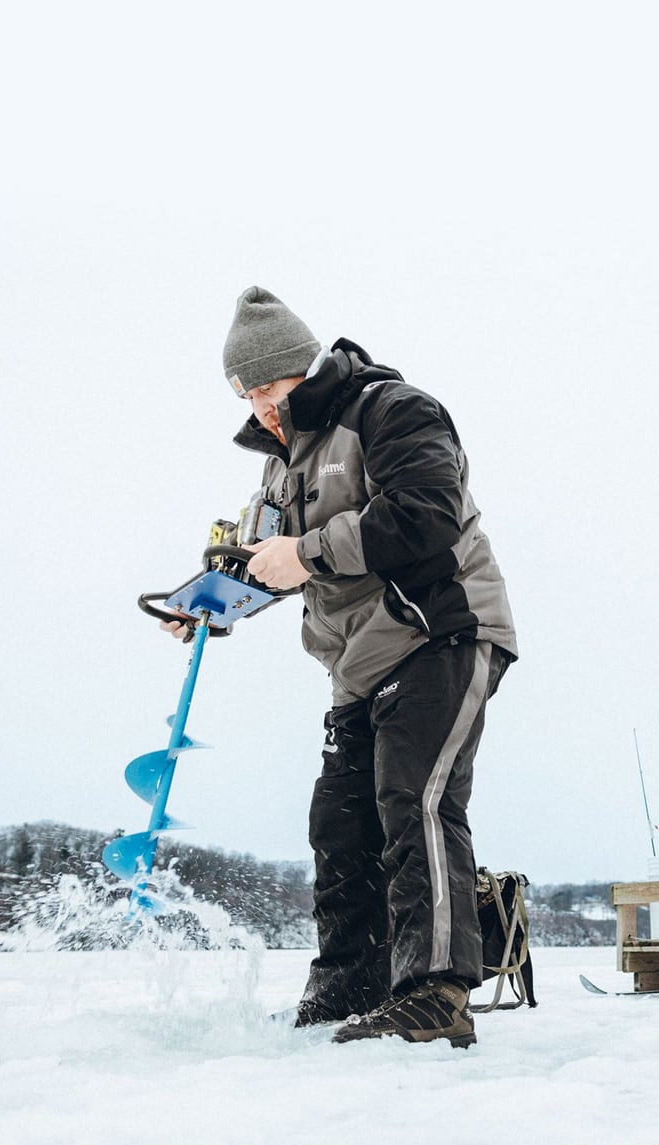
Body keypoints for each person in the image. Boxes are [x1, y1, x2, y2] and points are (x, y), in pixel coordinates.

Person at [161, 286, 517, 1048]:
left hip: (439, 628)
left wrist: (307, 551)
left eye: (267, 384)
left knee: (412, 795)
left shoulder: (391, 410)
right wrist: (206, 603)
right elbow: (265, 563)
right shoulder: (280, 467)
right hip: (357, 665)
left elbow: (424, 514)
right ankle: (349, 993)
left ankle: (435, 994)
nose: (259, 404)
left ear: (303, 365)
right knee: (340, 824)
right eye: (244, 392)